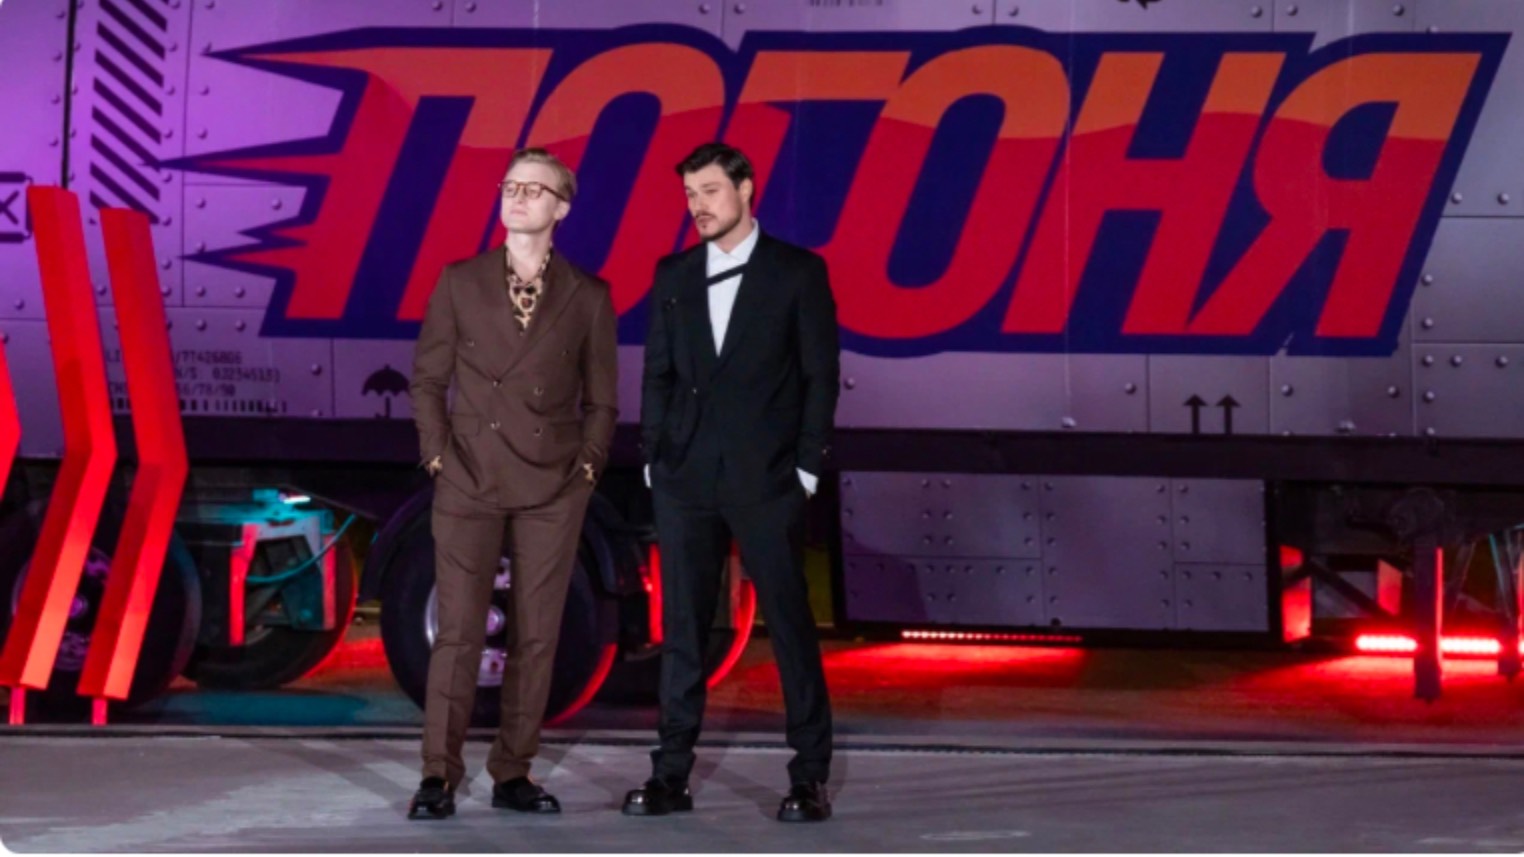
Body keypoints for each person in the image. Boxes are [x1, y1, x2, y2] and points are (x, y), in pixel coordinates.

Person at [627, 142, 840, 823]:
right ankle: (670, 774)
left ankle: (809, 777)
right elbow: (658, 371)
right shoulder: (674, 274)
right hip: (684, 477)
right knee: (683, 628)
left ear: (746, 189)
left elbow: (820, 375)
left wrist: (805, 468)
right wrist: (654, 455)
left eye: (710, 191)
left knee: (789, 624)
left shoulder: (797, 272)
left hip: (768, 477)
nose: (698, 206)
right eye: (690, 194)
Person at [406, 147, 617, 820]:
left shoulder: (588, 295)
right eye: (511, 186)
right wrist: (438, 457)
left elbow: (602, 400)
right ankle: (437, 775)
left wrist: (586, 469)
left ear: (562, 208)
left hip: (552, 483)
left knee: (537, 635)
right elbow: (427, 379)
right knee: (459, 633)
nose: (518, 198)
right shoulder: (459, 281)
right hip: (468, 477)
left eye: (535, 190)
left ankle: (513, 771)